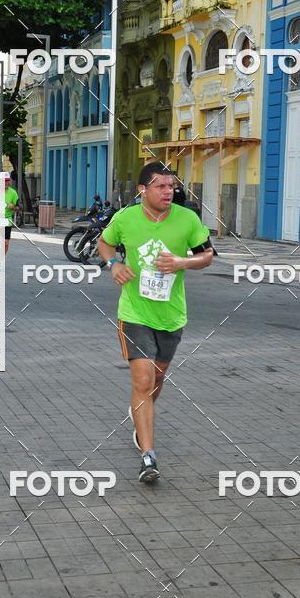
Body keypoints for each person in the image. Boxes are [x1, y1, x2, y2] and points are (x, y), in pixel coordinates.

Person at [98, 162, 215, 483]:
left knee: (155, 383)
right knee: (142, 382)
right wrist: (114, 263)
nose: (169, 191)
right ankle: (148, 456)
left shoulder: (187, 219)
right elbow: (104, 243)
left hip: (171, 315)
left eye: (172, 186)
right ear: (143, 190)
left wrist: (182, 262)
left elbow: (208, 255)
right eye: (161, 186)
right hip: (134, 313)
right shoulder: (125, 219)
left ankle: (140, 418)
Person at [2, 171, 20, 254]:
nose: (6, 182)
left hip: (7, 220)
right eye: (4, 180)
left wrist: (13, 207)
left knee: (5, 242)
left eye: (7, 180)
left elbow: (18, 207)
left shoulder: (13, 192)